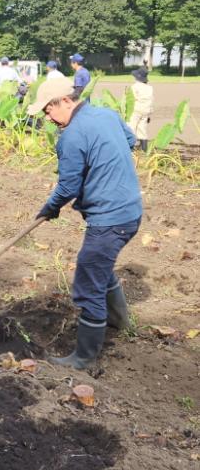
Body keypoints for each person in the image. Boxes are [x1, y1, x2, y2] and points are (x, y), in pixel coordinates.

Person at [27, 77, 142, 371]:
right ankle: (119, 321)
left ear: (65, 101)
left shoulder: (72, 136)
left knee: (88, 279)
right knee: (99, 265)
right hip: (130, 211)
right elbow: (130, 141)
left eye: (49, 111)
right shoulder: (105, 114)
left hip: (110, 218)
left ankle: (84, 356)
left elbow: (67, 188)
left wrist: (50, 208)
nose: (48, 118)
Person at [128, 67, 154, 152]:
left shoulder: (134, 87)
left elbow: (130, 100)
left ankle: (130, 150)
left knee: (131, 128)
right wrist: (149, 114)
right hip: (146, 111)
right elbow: (151, 101)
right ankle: (144, 151)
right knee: (142, 130)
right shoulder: (150, 88)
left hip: (136, 110)